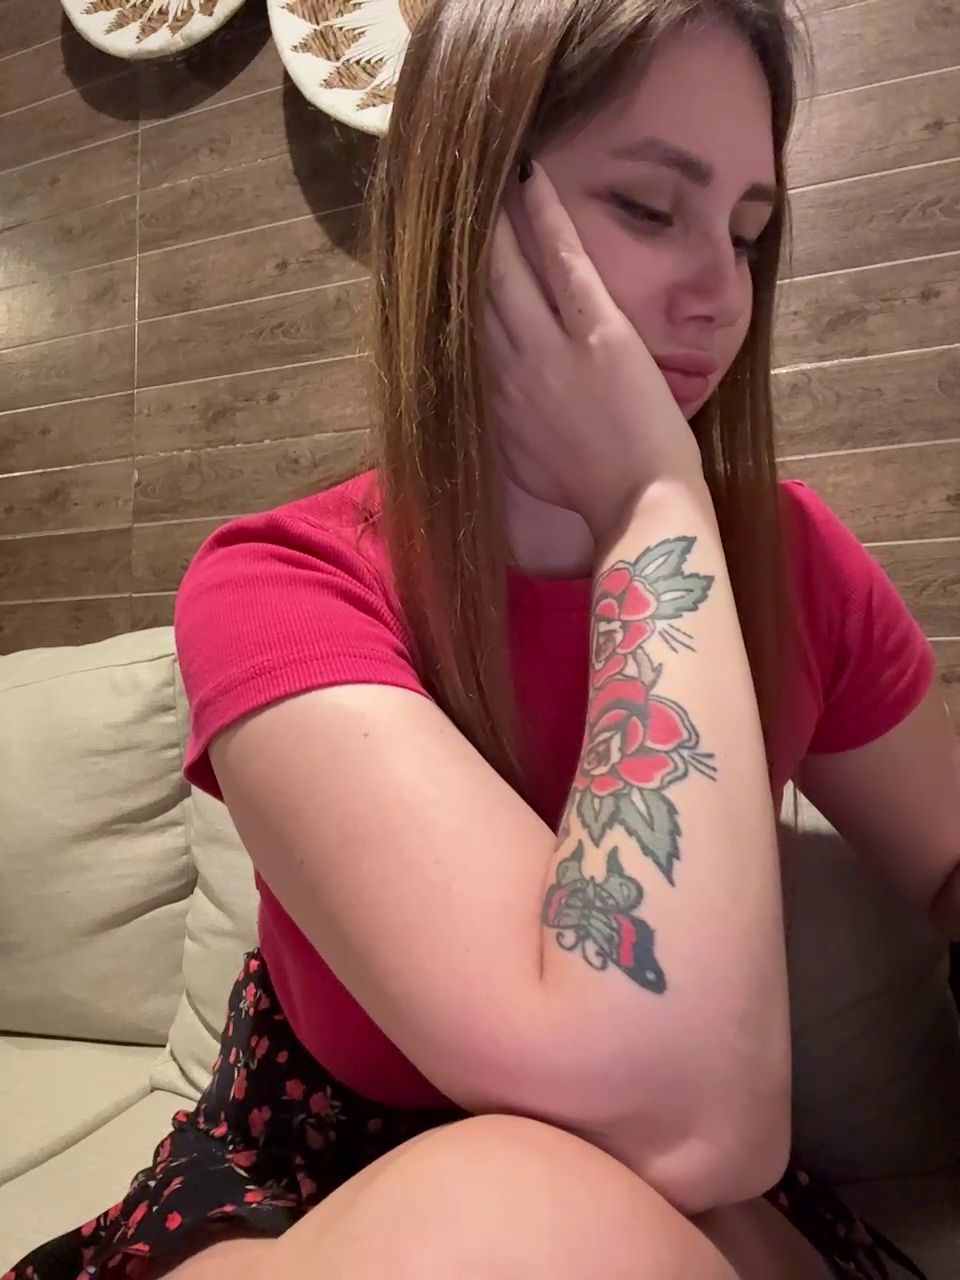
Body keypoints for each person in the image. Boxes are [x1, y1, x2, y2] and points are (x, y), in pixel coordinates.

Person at [8, 2, 959, 1278]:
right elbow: (683, 1115)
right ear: (470, 215)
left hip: (670, 1206)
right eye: (649, 208)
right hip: (315, 1170)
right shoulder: (282, 582)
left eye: (747, 232)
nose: (720, 295)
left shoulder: (792, 563)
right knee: (520, 1215)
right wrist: (652, 504)